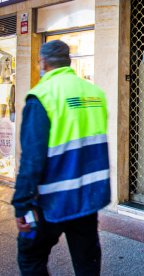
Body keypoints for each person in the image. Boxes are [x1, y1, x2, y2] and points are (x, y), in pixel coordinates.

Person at [11, 40, 111, 276]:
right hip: (87, 197)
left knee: (30, 257)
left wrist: (21, 205)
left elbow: (32, 160)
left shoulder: (42, 96)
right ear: (68, 62)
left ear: (43, 63)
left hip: (50, 200)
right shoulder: (94, 93)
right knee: (87, 261)